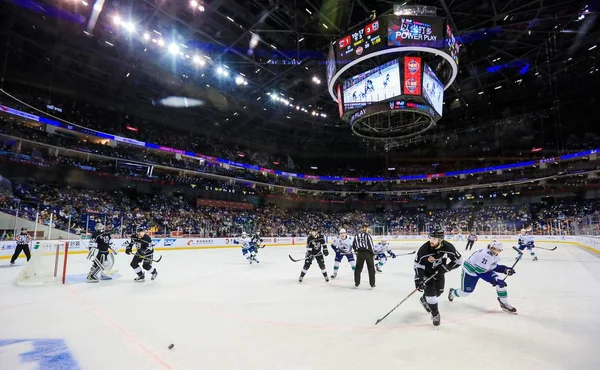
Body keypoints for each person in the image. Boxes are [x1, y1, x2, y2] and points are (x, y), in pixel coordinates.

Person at [448, 240, 517, 313]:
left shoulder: (494, 255)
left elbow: (491, 266)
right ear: (490, 247)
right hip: (470, 272)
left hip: (481, 270)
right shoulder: (485, 255)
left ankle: (504, 303)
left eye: (498, 250)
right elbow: (480, 273)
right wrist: (494, 280)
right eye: (494, 248)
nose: (495, 251)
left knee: (500, 285)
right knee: (465, 293)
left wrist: (505, 269)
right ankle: (452, 292)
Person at [413, 229, 462, 326]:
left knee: (439, 292)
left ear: (441, 239)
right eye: (430, 237)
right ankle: (435, 314)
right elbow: (418, 265)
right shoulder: (424, 249)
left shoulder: (448, 247)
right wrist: (419, 279)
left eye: (434, 238)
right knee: (431, 295)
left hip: (439, 274)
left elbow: (458, 261)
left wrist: (446, 268)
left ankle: (424, 299)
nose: (431, 240)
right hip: (427, 274)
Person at [352, 224, 376, 289]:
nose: (368, 229)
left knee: (358, 269)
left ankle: (357, 283)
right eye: (367, 228)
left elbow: (354, 245)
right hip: (368, 253)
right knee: (371, 269)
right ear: (364, 228)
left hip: (360, 253)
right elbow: (371, 245)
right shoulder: (367, 236)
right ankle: (372, 284)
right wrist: (373, 254)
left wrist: (356, 252)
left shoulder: (356, 236)